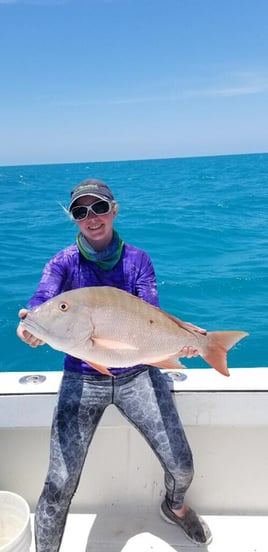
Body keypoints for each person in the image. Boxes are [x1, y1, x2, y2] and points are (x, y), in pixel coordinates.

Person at [16, 178, 212, 551]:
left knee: (182, 465)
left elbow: (149, 317)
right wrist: (30, 325)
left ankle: (174, 506)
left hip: (137, 371)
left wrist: (184, 336)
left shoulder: (138, 260)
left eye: (99, 207)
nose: (91, 217)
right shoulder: (61, 264)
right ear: (73, 218)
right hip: (82, 375)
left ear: (114, 209)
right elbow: (41, 301)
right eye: (81, 211)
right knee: (58, 483)